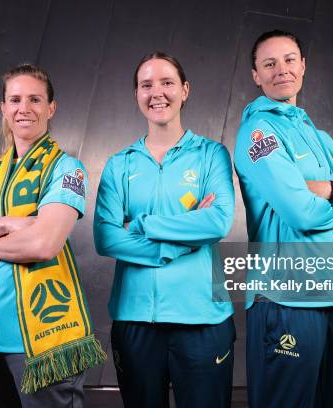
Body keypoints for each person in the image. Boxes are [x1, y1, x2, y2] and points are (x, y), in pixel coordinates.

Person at [0, 63, 106, 407]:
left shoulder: (66, 168)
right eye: (15, 99)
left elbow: (43, 244)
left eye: (35, 99)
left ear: (51, 108)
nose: (24, 108)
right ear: (3, 108)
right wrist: (6, 223)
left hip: (45, 346)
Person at [234, 30, 333, 408]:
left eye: (290, 59)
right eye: (270, 63)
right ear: (256, 75)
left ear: (303, 66)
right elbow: (299, 212)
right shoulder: (258, 132)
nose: (282, 70)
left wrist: (328, 189)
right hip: (284, 302)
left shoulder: (321, 138)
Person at [93, 52, 236, 408]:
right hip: (135, 318)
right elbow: (106, 237)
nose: (157, 93)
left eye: (167, 82)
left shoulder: (211, 154)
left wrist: (142, 225)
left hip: (203, 317)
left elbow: (217, 221)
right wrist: (175, 246)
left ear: (185, 90)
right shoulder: (118, 164)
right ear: (137, 95)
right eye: (146, 85)